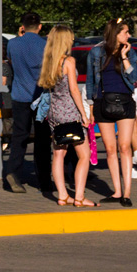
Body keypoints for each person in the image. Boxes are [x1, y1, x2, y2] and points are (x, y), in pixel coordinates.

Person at [38, 25, 96, 206]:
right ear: (65, 40)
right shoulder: (68, 61)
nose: (72, 40)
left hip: (54, 112)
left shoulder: (50, 62)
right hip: (70, 112)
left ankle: (62, 195)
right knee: (84, 155)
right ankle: (79, 196)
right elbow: (74, 90)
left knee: (58, 154)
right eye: (70, 37)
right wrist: (84, 114)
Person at [87, 18, 137, 206]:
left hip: (125, 102)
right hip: (102, 102)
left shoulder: (130, 51)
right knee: (109, 149)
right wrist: (91, 107)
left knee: (124, 147)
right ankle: (117, 191)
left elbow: (134, 78)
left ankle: (126, 193)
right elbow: (91, 81)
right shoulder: (96, 52)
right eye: (125, 32)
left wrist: (124, 57)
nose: (128, 35)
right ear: (115, 33)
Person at [4, 12, 51, 193]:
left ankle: (13, 172)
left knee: (19, 136)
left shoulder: (13, 43)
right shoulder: (45, 44)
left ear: (22, 27)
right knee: (42, 139)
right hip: (40, 97)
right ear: (40, 26)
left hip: (19, 96)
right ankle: (45, 180)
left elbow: (10, 62)